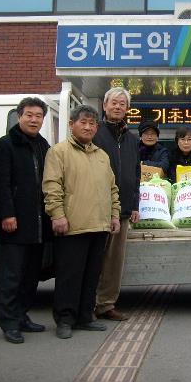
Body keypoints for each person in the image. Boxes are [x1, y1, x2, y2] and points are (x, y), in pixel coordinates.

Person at [43, 105, 121, 339]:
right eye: (83, 122)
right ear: (72, 125)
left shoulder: (101, 155)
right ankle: (65, 319)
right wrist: (57, 215)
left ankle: (85, 316)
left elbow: (112, 189)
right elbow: (52, 186)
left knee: (91, 275)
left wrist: (114, 215)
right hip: (72, 225)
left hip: (100, 225)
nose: (88, 127)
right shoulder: (59, 152)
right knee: (70, 275)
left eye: (92, 124)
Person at [0, 97, 51, 344]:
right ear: (19, 116)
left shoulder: (43, 145)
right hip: (14, 222)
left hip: (38, 224)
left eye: (38, 116)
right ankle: (8, 322)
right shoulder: (5, 145)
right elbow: (0, 183)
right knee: (11, 276)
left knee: (30, 276)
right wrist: (6, 214)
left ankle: (22, 315)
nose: (34, 119)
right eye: (29, 115)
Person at [93, 87, 140, 322]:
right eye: (114, 102)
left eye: (122, 103)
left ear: (127, 109)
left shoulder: (132, 139)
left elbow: (136, 174)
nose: (118, 106)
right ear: (104, 106)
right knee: (92, 257)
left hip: (122, 210)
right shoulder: (94, 132)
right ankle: (86, 304)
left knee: (114, 261)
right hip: (95, 207)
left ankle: (105, 304)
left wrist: (135, 204)